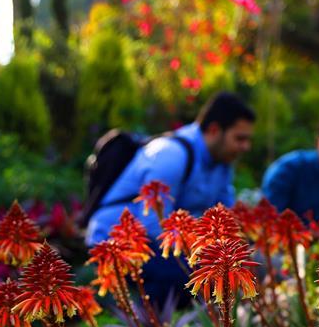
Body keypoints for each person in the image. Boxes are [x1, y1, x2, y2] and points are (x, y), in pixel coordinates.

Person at [85, 91, 255, 306]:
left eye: (248, 140)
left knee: (236, 266)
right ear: (214, 130)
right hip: (120, 240)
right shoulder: (171, 155)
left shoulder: (223, 162)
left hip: (171, 241)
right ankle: (151, 321)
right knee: (190, 277)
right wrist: (200, 254)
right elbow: (151, 226)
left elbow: (226, 215)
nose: (245, 147)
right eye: (239, 139)